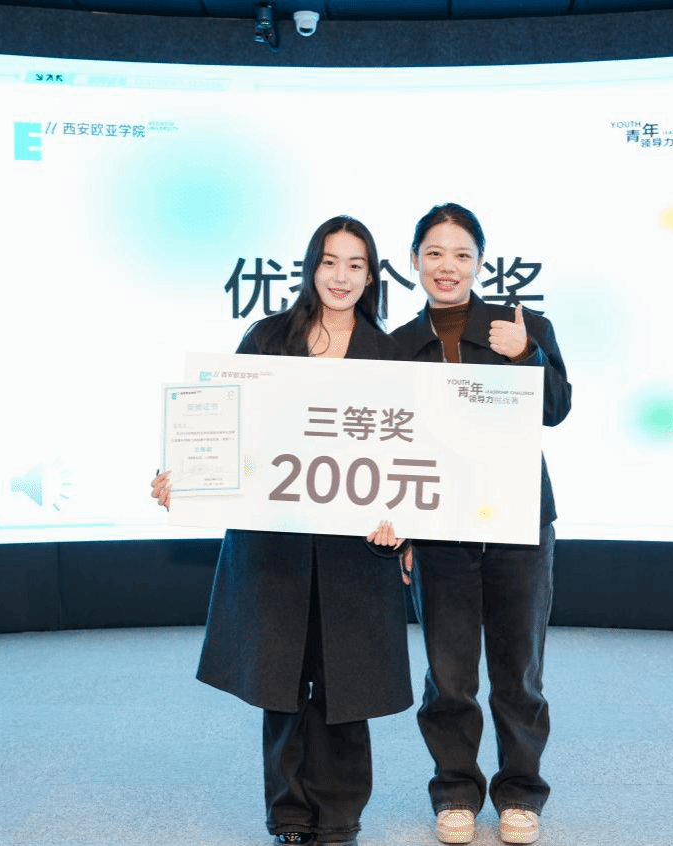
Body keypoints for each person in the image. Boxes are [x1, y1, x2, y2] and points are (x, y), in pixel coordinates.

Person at [150, 216, 412, 846]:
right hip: (277, 542)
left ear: (371, 276)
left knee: (347, 683)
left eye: (355, 265)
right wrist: (186, 476)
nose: (341, 276)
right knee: (283, 682)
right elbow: (225, 427)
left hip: (356, 549)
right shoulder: (268, 338)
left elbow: (411, 454)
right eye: (329, 261)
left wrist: (404, 522)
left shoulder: (389, 354)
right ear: (310, 266)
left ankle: (340, 817)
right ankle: (289, 815)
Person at [390, 203, 571, 846]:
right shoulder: (396, 346)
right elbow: (389, 444)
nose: (448, 266)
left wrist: (528, 356)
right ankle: (455, 793)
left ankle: (520, 793)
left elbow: (556, 409)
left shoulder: (522, 326)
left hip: (519, 523)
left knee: (519, 673)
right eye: (434, 253)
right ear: (415, 260)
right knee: (449, 677)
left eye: (461, 254)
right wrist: (403, 525)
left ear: (480, 262)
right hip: (440, 528)